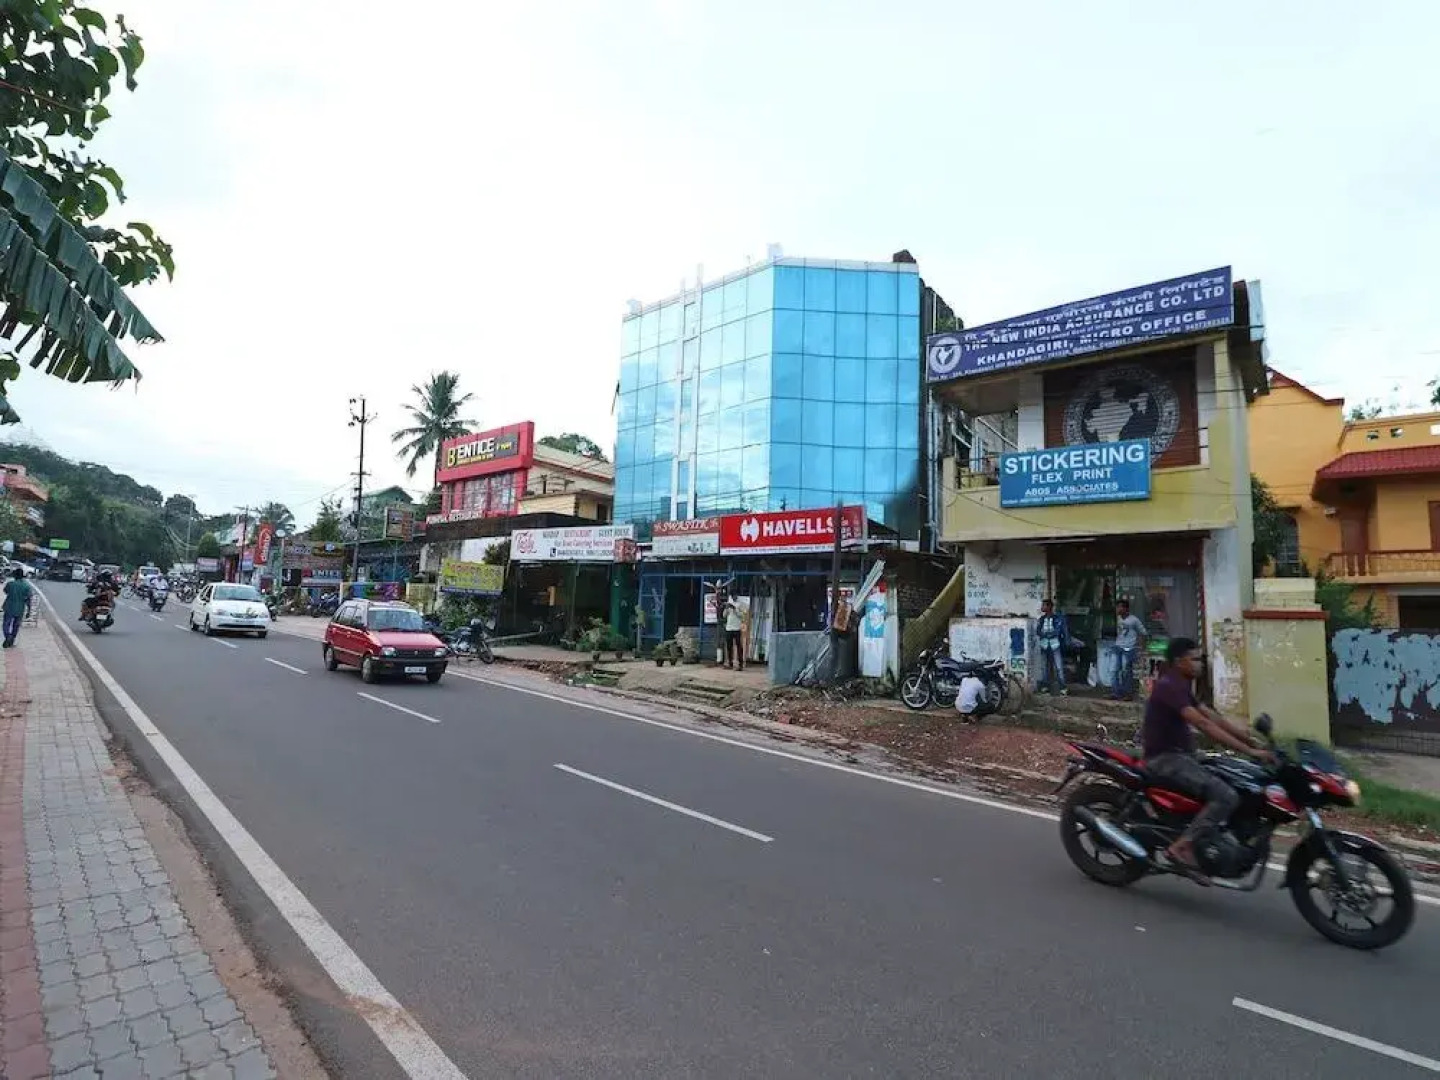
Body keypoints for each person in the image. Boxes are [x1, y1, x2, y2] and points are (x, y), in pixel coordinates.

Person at [1143, 637, 1273, 882]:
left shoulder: (1182, 686)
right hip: (1165, 759)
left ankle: (1216, 835)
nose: (1201, 663)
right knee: (1226, 795)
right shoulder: (1169, 686)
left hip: (1185, 755)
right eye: (1195, 659)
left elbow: (1212, 716)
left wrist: (1250, 740)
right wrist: (1251, 752)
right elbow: (1203, 724)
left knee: (1237, 779)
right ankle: (1182, 846)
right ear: (1179, 662)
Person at [1111, 598, 1147, 700]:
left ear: (1126, 609)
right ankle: (1116, 692)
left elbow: (1143, 633)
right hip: (1117, 647)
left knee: (1126, 671)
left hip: (1128, 648)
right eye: (1117, 607)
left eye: (1120, 607)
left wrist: (1140, 648)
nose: (1117, 609)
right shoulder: (1118, 618)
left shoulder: (1134, 620)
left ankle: (1128, 693)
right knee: (1113, 671)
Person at [1036, 598, 1069, 695]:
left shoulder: (1057, 619)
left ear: (1049, 607)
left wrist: (1046, 634)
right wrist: (1047, 634)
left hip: (1055, 645)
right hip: (1044, 645)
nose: (1042, 607)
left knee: (1058, 667)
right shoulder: (1041, 619)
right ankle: (1045, 687)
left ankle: (1063, 688)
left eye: (1044, 605)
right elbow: (1038, 631)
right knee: (1044, 667)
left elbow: (1057, 632)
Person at [3, 567, 32, 648]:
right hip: (20, 608)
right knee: (16, 625)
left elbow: (5, 591)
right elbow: (29, 599)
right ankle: (12, 639)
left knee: (6, 624)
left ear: (14, 576)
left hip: (9, 607)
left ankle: (8, 636)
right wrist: (29, 611)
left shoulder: (10, 584)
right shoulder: (26, 586)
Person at [721, 593, 744, 670]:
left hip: (737, 628)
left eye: (735, 595)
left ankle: (740, 664)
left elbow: (742, 615)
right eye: (732, 596)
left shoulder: (740, 604)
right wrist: (726, 609)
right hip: (729, 628)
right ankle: (730, 663)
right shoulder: (729, 604)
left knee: (739, 646)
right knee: (729, 646)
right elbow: (724, 615)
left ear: (737, 596)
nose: (734, 597)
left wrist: (735, 609)